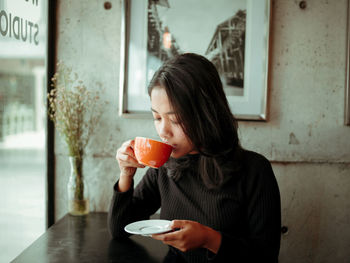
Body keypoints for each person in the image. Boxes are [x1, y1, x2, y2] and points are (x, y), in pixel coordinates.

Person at [108, 53, 281, 262]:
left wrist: (210, 239)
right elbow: (120, 228)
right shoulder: (164, 166)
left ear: (206, 114)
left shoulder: (254, 170)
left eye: (176, 119)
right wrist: (126, 175)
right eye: (157, 117)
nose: (163, 131)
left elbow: (265, 257)